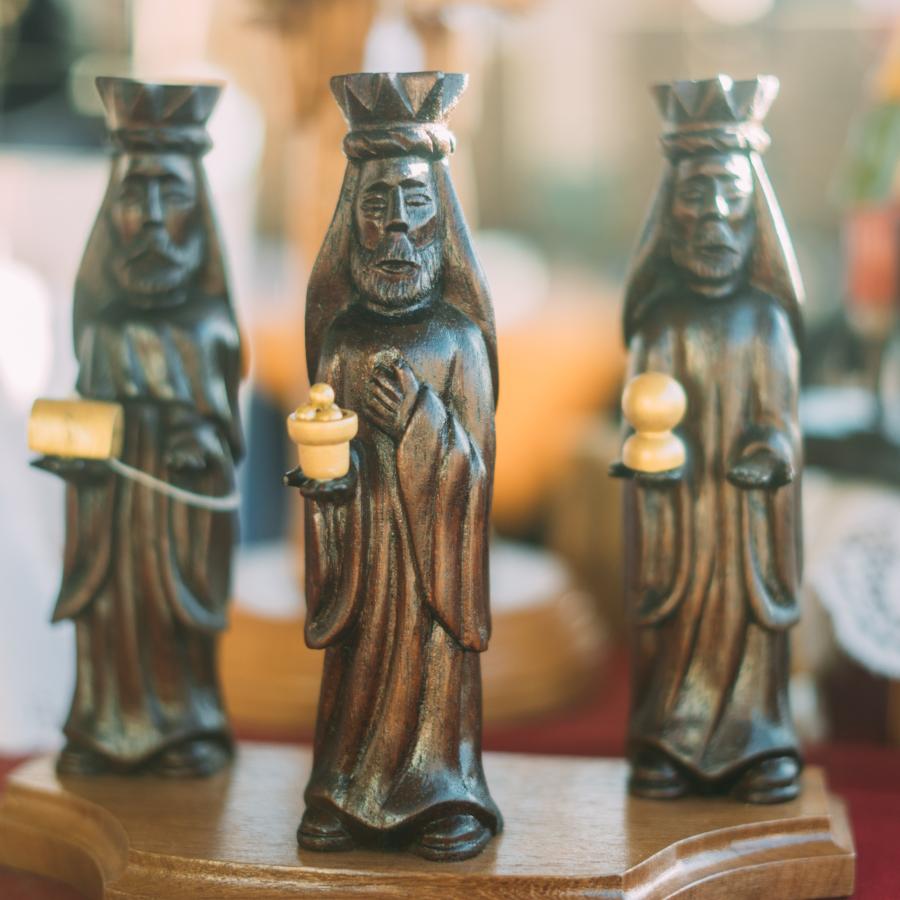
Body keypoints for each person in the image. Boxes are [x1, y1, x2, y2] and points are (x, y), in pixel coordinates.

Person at [287, 71, 501, 860]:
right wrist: (328, 486)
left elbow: (476, 481)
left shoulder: (459, 343)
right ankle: (344, 789)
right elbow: (322, 441)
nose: (399, 232)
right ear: (352, 224)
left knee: (432, 666)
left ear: (442, 219)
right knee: (356, 671)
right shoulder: (341, 339)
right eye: (377, 210)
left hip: (428, 581)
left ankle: (442, 789)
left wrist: (419, 423)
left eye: (416, 207)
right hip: (364, 574)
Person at [37, 77, 243, 777]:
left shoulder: (207, 328)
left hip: (173, 532)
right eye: (134, 195)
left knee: (167, 627)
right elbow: (87, 415)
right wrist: (79, 460)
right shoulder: (102, 327)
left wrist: (198, 446)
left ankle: (184, 726)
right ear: (111, 212)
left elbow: (221, 439)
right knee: (111, 623)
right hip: (115, 523)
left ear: (200, 214)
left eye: (173, 195)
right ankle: (103, 724)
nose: (153, 218)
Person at [612, 75, 805, 803]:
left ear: (756, 207)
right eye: (695, 197)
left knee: (750, 635)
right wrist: (649, 460)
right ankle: (666, 737)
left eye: (730, 194)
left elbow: (782, 425)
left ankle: (760, 739)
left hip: (745, 526)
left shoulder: (767, 322)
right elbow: (642, 414)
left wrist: (768, 456)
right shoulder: (660, 324)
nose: (713, 217)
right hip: (680, 532)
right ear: (670, 211)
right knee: (674, 631)